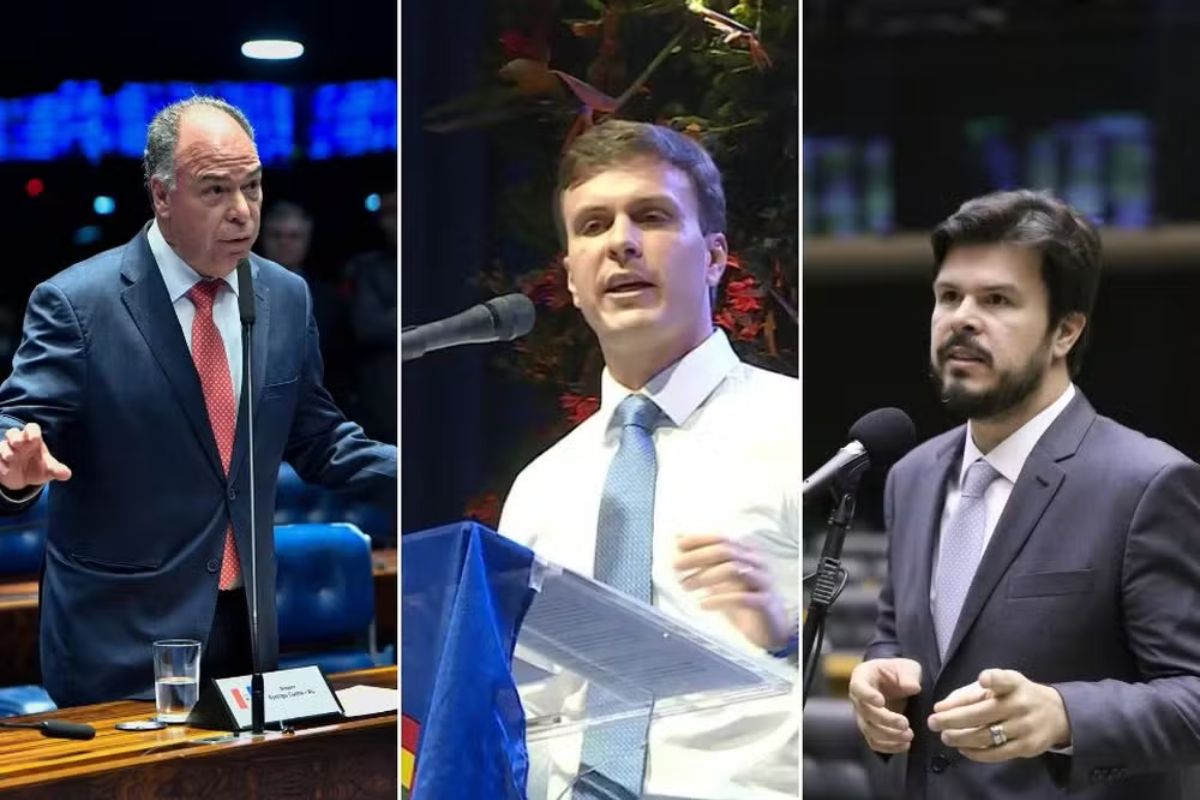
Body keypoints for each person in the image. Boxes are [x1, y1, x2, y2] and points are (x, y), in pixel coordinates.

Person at [0, 96, 396, 708]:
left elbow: (317, 438)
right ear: (162, 196)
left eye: (253, 187)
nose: (242, 212)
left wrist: (417, 477)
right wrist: (15, 474)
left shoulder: (286, 297)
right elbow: (17, 430)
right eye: (215, 191)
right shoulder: (78, 304)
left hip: (249, 625)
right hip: (120, 638)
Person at [850, 189, 1200, 798]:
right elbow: (899, 636)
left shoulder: (1147, 483)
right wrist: (876, 675)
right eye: (948, 296)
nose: (962, 317)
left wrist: (1064, 714)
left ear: (1065, 330)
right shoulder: (912, 474)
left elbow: (1192, 694)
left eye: (997, 300)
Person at [498, 121, 799, 800]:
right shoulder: (541, 488)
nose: (621, 243)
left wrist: (793, 634)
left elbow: (905, 664)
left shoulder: (806, 434)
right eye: (593, 225)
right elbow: (529, 709)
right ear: (572, 276)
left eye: (653, 216)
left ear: (716, 256)